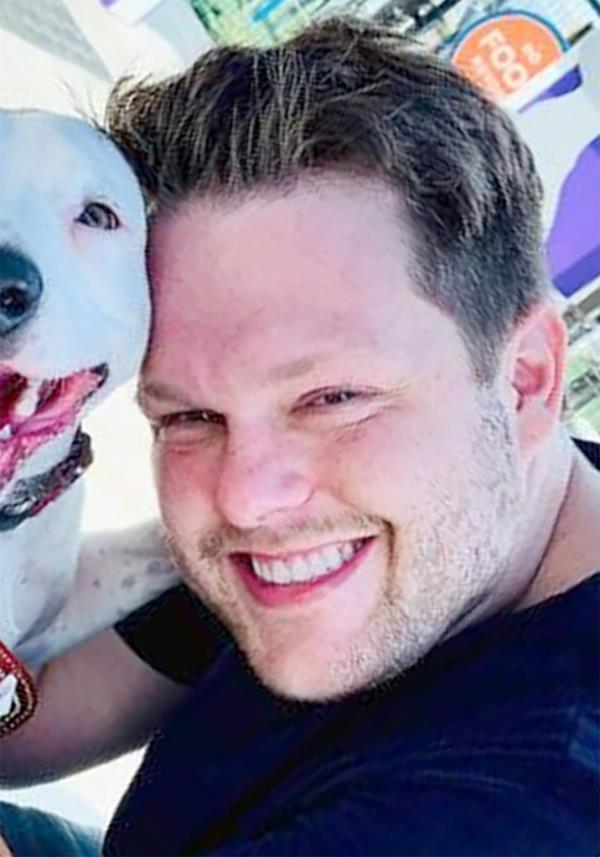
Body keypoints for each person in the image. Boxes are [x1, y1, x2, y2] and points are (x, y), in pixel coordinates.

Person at [1, 16, 599, 856]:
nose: (246, 497)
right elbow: (33, 712)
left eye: (332, 398)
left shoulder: (533, 807)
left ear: (527, 379)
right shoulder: (436, 519)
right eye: (187, 416)